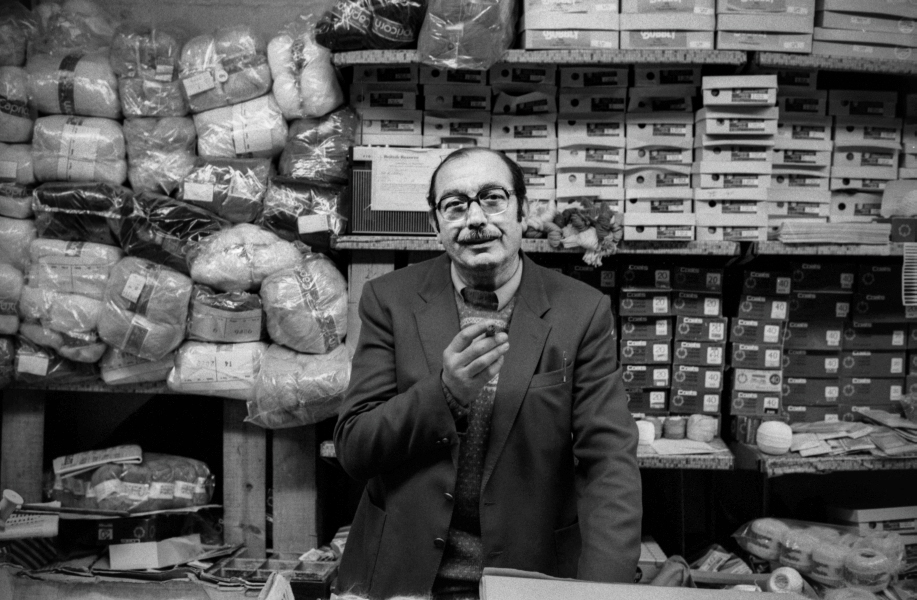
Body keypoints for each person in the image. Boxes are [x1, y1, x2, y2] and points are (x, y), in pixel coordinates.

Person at [334, 147, 642, 599]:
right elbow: (355, 448)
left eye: (493, 198)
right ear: (436, 226)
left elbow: (609, 461)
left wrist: (604, 592)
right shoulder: (390, 300)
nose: (475, 218)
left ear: (523, 211)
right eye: (455, 205)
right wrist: (444, 394)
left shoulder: (581, 311)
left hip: (528, 577)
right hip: (405, 574)